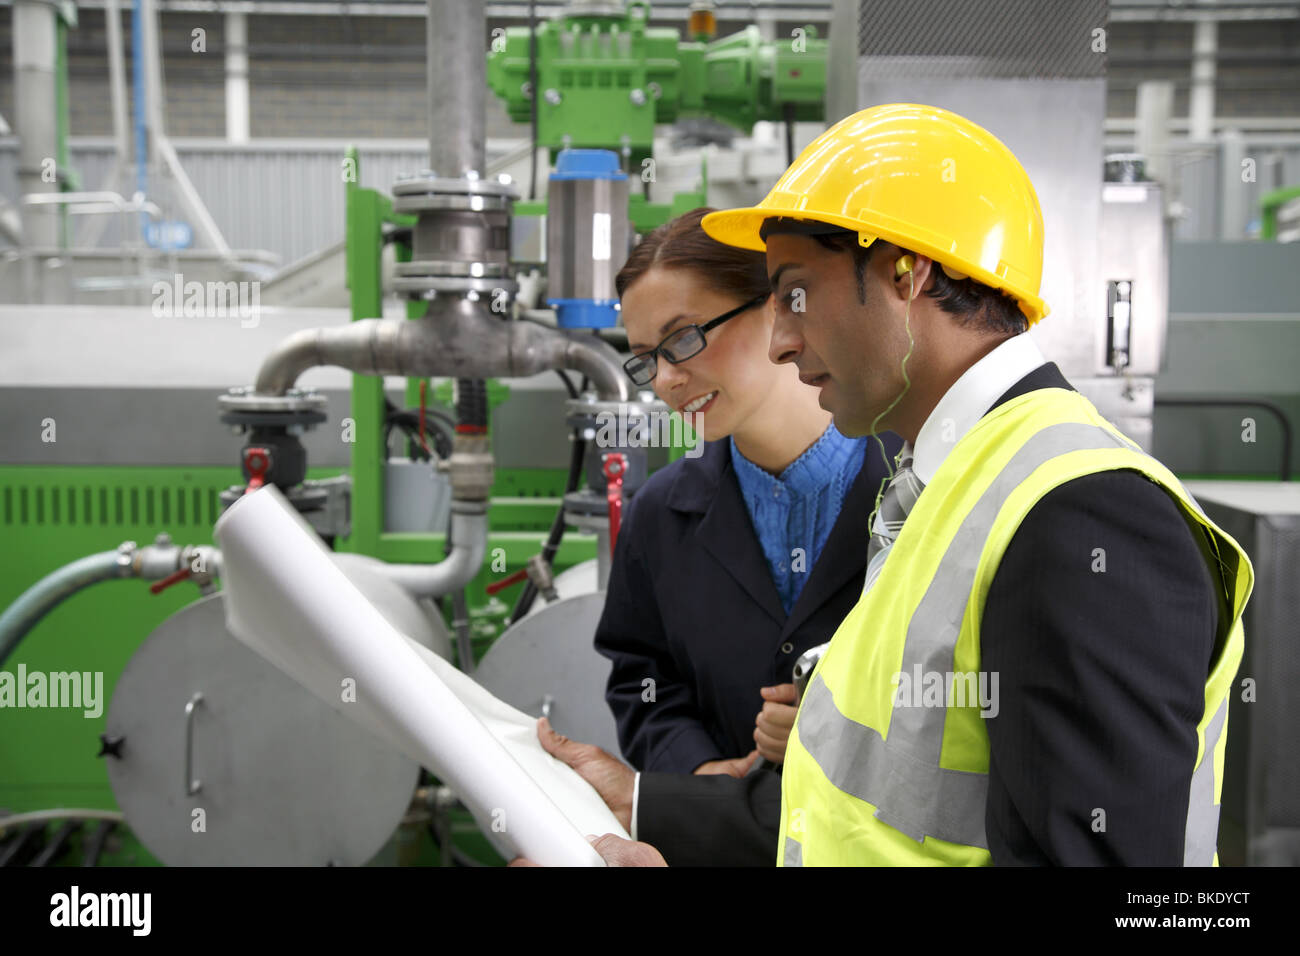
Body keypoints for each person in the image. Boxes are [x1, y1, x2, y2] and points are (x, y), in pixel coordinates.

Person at [523, 103, 1253, 867]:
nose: (782, 339)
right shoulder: (942, 490)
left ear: (910, 271)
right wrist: (648, 805)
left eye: (797, 294)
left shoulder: (1079, 513)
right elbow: (860, 820)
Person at [596, 207, 902, 779]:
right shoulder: (659, 515)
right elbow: (642, 676)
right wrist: (693, 766)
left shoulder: (919, 485)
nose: (664, 380)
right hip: (723, 837)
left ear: (778, 307)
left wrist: (841, 727)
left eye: (683, 339)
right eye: (645, 359)